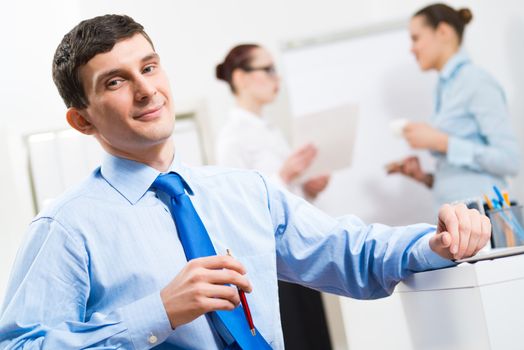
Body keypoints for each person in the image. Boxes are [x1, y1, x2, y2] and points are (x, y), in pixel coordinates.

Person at [0, 14, 491, 350]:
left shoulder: (244, 191)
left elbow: (349, 251)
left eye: (149, 67)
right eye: (115, 81)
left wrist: (434, 242)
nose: (147, 88)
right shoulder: (65, 228)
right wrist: (158, 312)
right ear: (82, 121)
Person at [215, 45, 332, 349]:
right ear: (240, 78)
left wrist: (307, 189)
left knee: (318, 336)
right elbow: (235, 207)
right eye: (266, 70)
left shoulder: (270, 130)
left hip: (299, 255)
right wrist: (286, 175)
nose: (275, 77)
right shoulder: (231, 137)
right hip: (271, 265)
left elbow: (283, 199)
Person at [387, 4, 520, 208]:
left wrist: (442, 142)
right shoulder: (444, 88)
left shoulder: (476, 82)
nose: (411, 48)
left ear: (443, 32)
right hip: (461, 221)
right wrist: (423, 177)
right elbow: (463, 180)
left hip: (483, 222)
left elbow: (510, 161)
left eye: (416, 38)